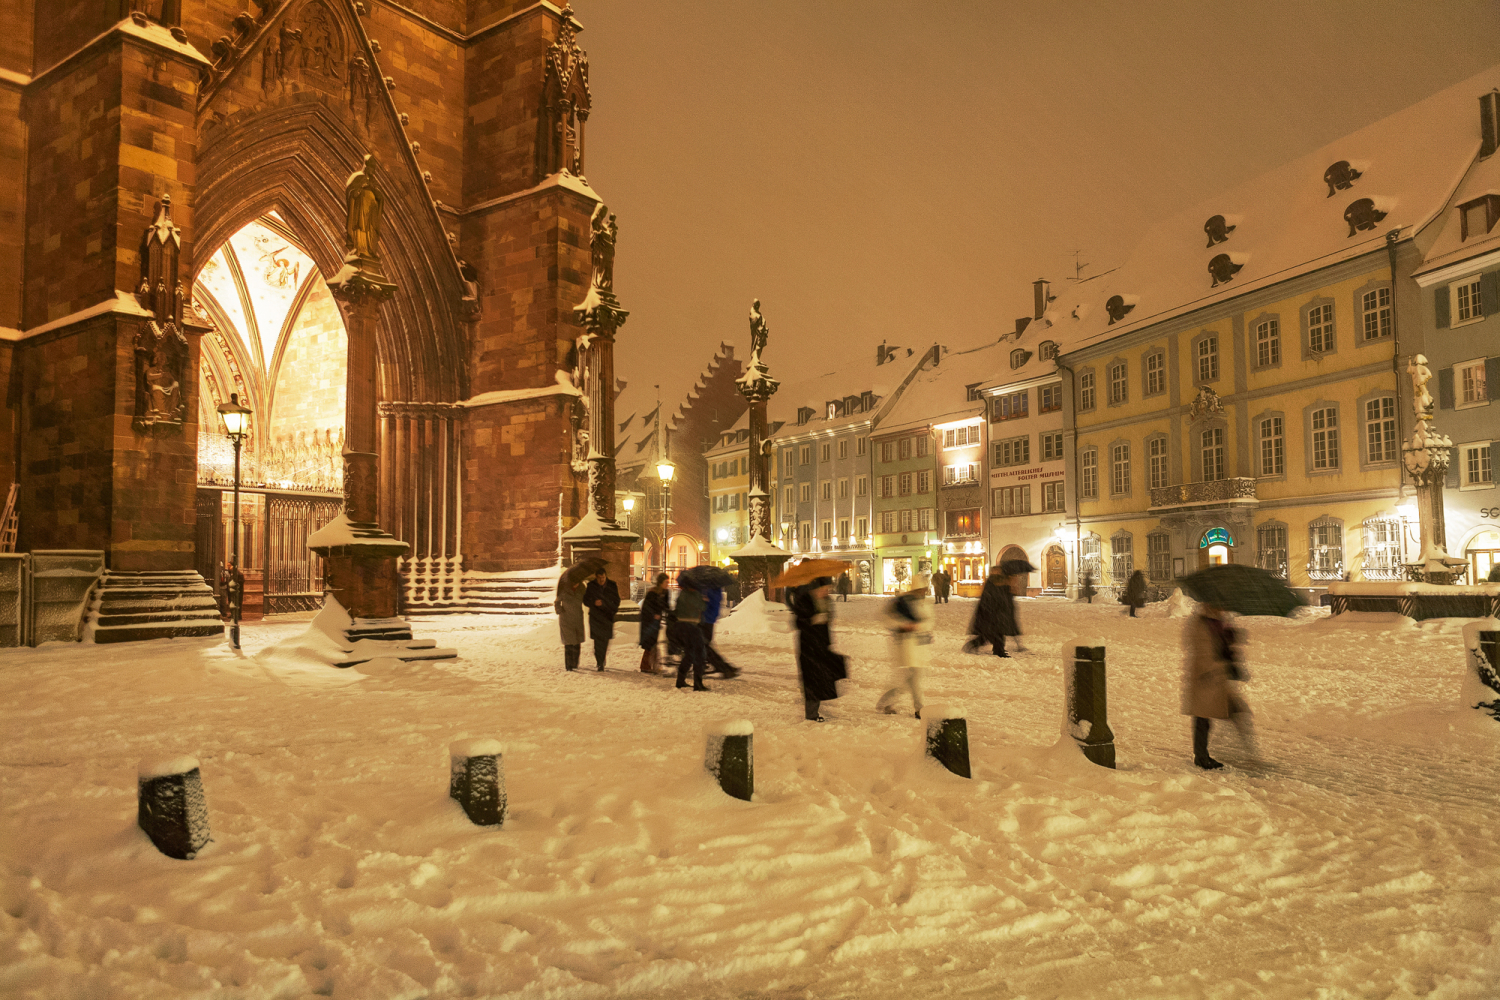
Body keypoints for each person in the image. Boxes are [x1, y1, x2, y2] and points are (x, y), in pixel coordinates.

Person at [1181, 600, 1251, 769]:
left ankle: (1244, 751)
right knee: (1203, 718)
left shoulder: (1219, 620)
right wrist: (1223, 666)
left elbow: (1225, 645)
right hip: (1205, 678)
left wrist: (1234, 635)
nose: (1223, 607)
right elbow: (1202, 651)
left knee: (1234, 710)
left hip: (1218, 678)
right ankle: (1202, 756)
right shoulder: (1201, 622)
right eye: (1219, 604)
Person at [877, 571, 932, 718]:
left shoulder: (924, 603)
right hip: (907, 645)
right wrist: (904, 625)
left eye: (923, 590)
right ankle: (919, 709)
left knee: (909, 680)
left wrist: (918, 626)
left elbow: (930, 621)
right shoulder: (901, 603)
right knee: (913, 678)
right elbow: (887, 618)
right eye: (920, 590)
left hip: (920, 646)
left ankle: (885, 703)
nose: (922, 593)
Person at [791, 576, 846, 721]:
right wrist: (812, 620)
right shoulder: (804, 600)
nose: (827, 592)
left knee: (822, 677)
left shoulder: (827, 602)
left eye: (829, 589)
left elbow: (828, 620)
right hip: (808, 646)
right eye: (825, 589)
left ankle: (817, 705)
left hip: (822, 644)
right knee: (811, 679)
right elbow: (797, 623)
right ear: (816, 588)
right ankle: (811, 714)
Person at [970, 564, 1020, 658]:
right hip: (990, 613)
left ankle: (998, 650)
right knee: (991, 634)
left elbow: (1007, 596)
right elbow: (989, 598)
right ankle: (995, 650)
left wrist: (1011, 587)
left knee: (997, 633)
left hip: (998, 613)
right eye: (996, 571)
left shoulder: (1001, 581)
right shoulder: (992, 582)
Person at [670, 578, 711, 691]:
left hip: (681, 627)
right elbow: (702, 607)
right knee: (699, 655)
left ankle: (680, 680)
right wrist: (704, 599)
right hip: (692, 627)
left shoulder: (682, 594)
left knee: (688, 655)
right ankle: (698, 684)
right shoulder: (695, 595)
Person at [699, 581, 740, 678]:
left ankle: (724, 668)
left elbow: (706, 605)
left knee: (705, 647)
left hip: (705, 620)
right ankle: (725, 667)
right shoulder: (716, 590)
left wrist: (703, 600)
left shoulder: (710, 591)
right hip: (709, 620)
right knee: (705, 646)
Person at [583, 568, 620, 671]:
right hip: (596, 618)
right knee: (597, 641)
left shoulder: (612, 585)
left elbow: (616, 601)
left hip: (607, 617)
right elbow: (585, 600)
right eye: (599, 578)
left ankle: (601, 658)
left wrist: (604, 604)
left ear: (605, 576)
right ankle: (599, 662)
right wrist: (593, 603)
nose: (601, 580)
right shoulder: (591, 586)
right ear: (596, 577)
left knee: (605, 641)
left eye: (603, 577)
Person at [638, 573, 669, 673]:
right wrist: (654, 614)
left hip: (656, 622)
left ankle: (652, 665)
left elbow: (665, 606)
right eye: (666, 582)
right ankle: (645, 665)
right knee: (649, 644)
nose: (667, 584)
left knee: (654, 644)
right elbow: (646, 608)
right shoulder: (652, 593)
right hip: (649, 622)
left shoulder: (665, 593)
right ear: (660, 583)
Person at [555, 572, 586, 671]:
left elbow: (587, 599)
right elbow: (557, 602)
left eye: (577, 582)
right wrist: (559, 610)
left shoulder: (582, 589)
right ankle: (569, 665)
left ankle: (575, 663)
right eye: (574, 582)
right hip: (566, 619)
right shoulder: (564, 589)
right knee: (568, 643)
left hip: (577, 618)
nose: (576, 584)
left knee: (577, 642)